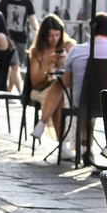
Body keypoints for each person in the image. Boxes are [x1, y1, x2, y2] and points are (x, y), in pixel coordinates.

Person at [33, 13, 107, 162]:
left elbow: (66, 82)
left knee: (86, 104)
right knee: (100, 100)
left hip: (82, 103)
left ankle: (85, 148)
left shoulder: (76, 51)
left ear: (90, 30)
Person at [26, 15, 75, 146]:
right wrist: (47, 63)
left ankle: (42, 124)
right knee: (59, 89)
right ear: (44, 36)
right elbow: (35, 82)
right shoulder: (37, 52)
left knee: (60, 90)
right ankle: (62, 145)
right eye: (50, 36)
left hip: (64, 89)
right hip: (41, 89)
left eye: (57, 35)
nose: (54, 39)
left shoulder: (69, 46)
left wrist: (66, 60)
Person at [0, 0, 38, 93]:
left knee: (15, 67)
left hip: (22, 38)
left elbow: (32, 18)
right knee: (15, 66)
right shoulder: (5, 2)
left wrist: (37, 29)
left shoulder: (27, 3)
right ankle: (21, 93)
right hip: (8, 39)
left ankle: (8, 93)